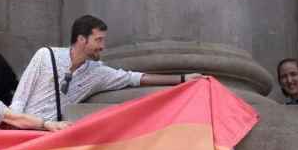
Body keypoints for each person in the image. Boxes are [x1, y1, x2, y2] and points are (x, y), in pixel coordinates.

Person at [11, 14, 202, 122]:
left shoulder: (97, 72)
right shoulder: (45, 55)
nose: (103, 46)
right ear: (81, 39)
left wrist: (183, 79)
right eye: (98, 40)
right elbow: (19, 101)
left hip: (50, 139)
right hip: (23, 133)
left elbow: (133, 78)